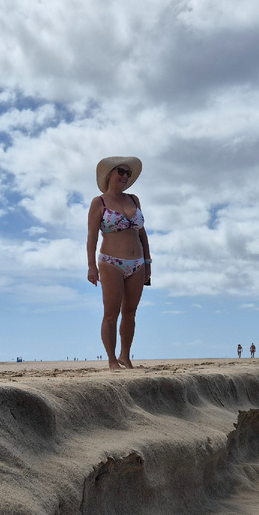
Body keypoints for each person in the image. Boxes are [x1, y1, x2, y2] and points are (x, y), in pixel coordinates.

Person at [87, 156, 150, 369]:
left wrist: (148, 262)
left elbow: (142, 234)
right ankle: (112, 360)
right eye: (120, 172)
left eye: (128, 173)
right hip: (110, 262)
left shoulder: (134, 199)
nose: (124, 176)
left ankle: (125, 356)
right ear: (109, 175)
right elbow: (92, 237)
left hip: (138, 263)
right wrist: (91, 266)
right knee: (111, 313)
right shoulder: (99, 202)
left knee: (130, 313)